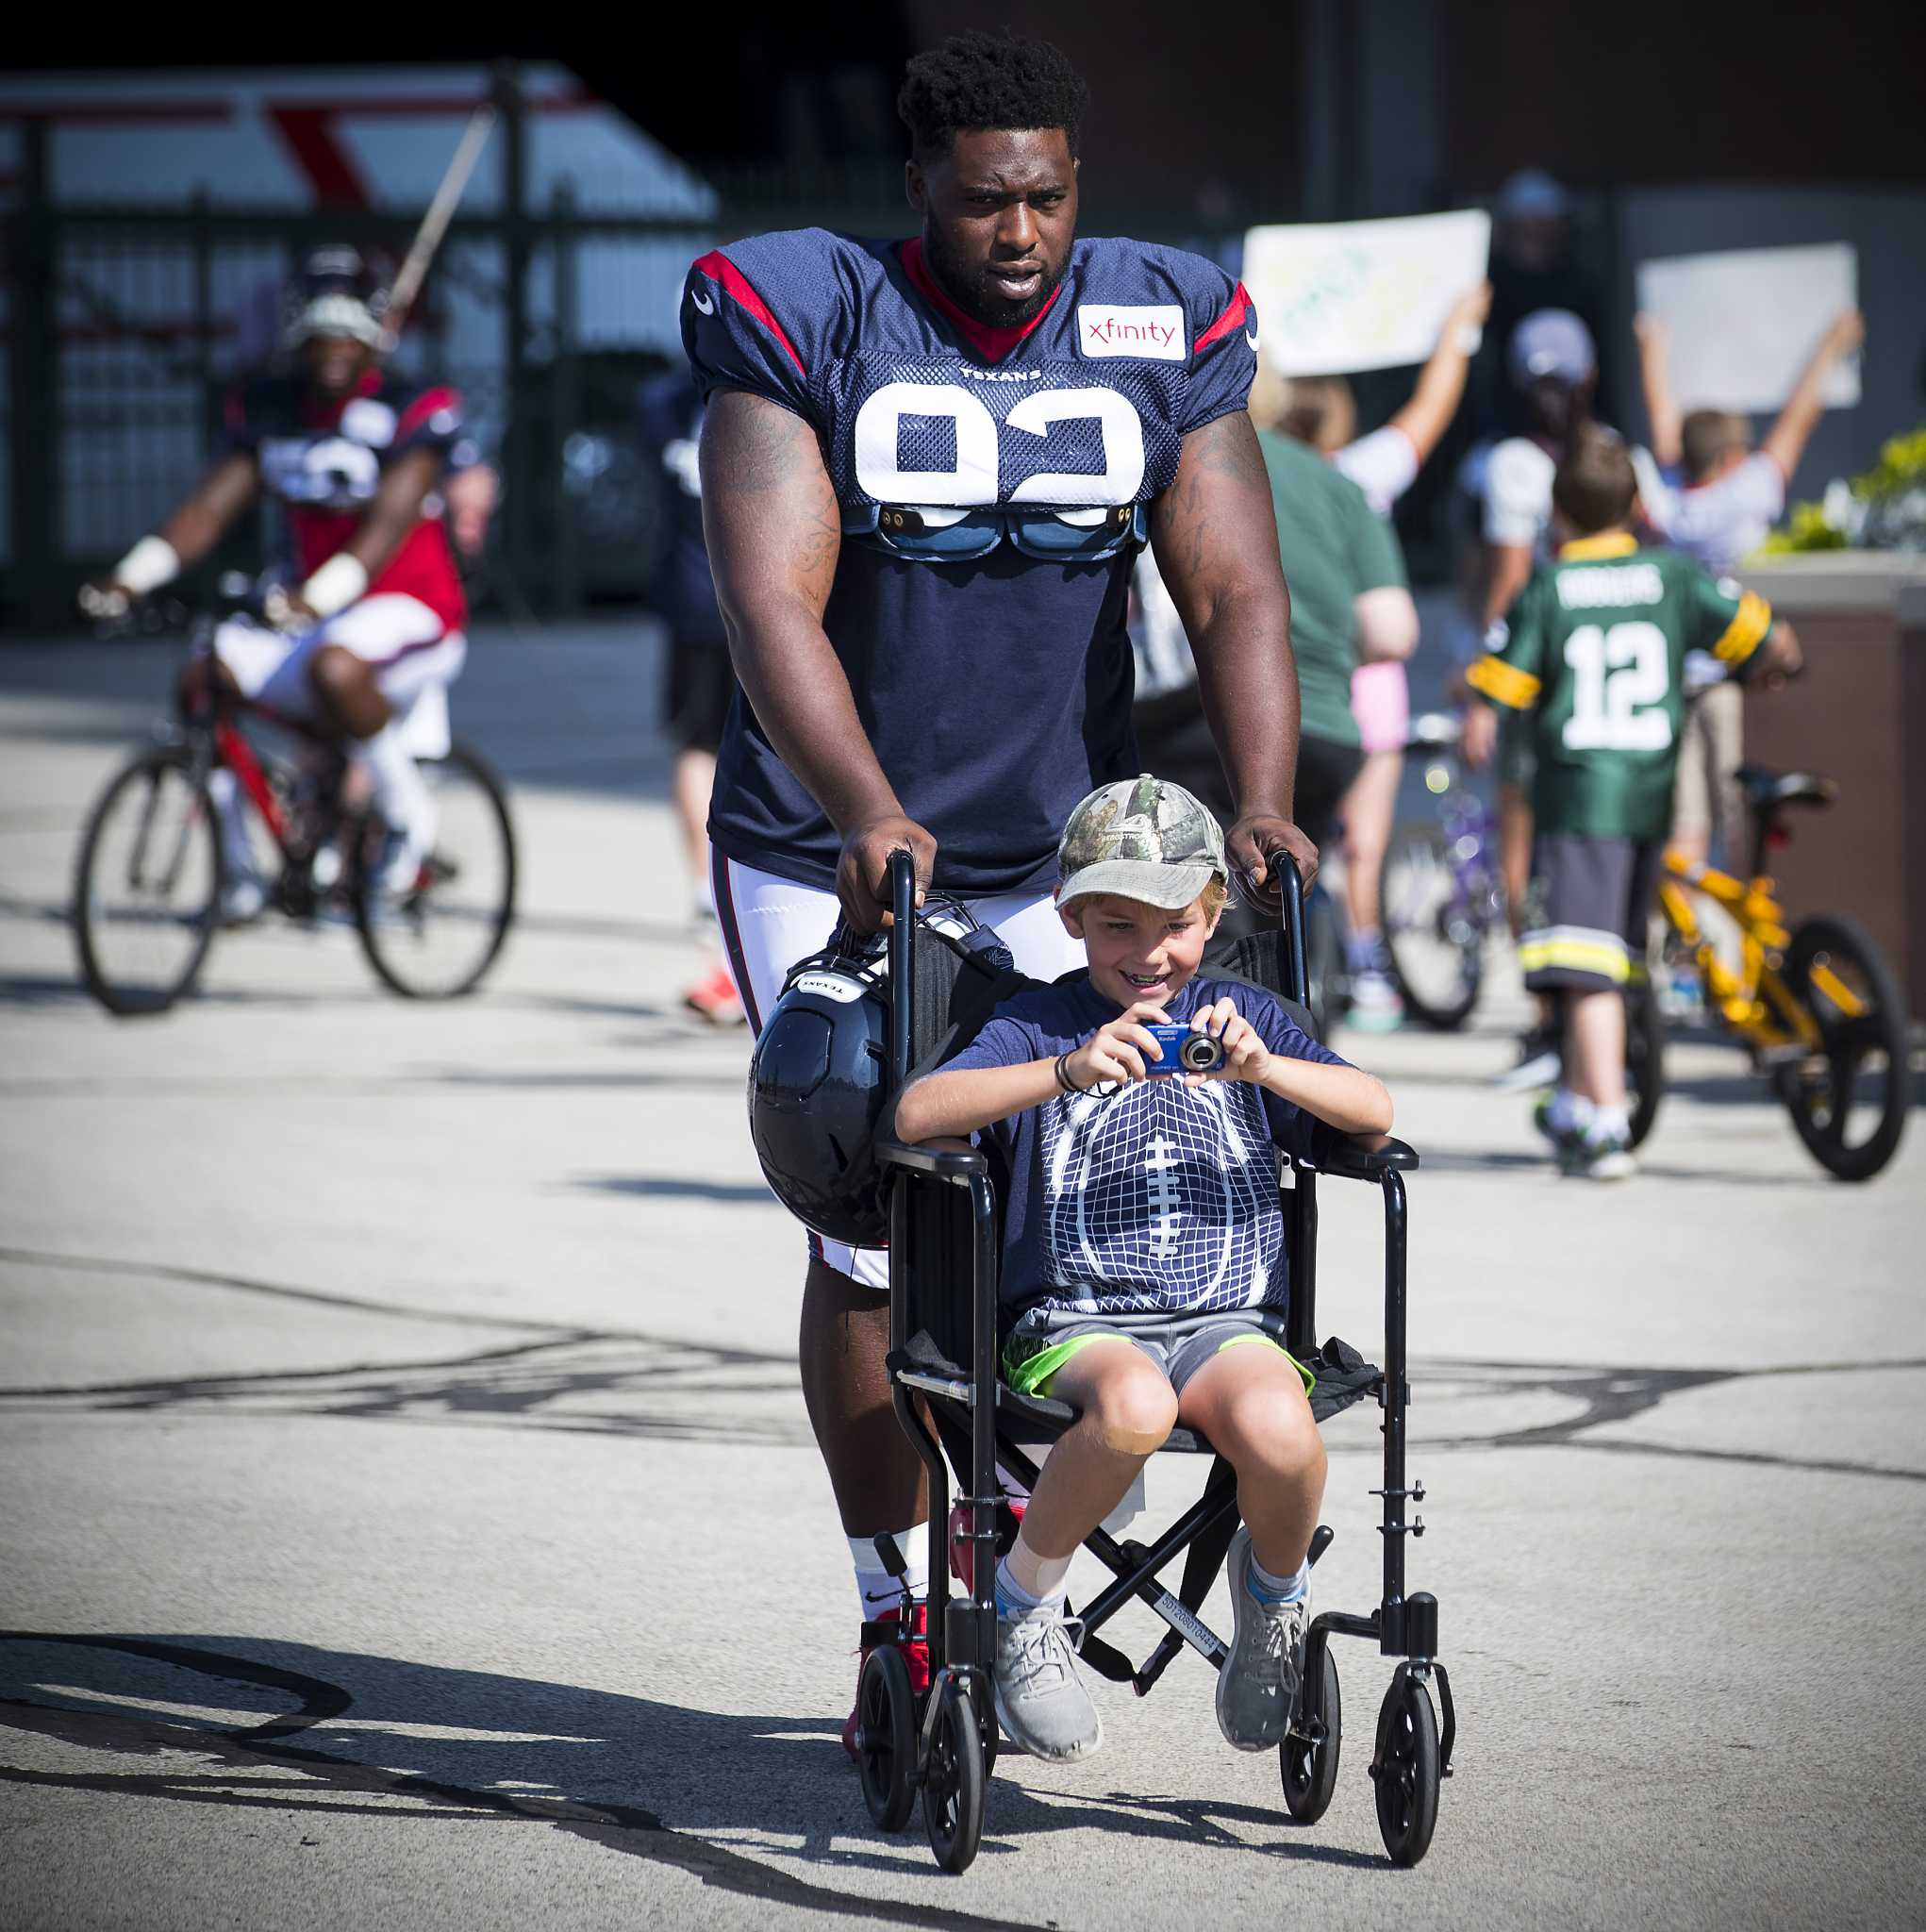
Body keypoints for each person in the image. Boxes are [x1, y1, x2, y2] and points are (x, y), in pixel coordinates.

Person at [684, 30, 1318, 1754]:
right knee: (870, 1209)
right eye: (981, 201)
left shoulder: (1150, 320)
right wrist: (868, 809)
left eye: (1042, 194)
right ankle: (894, 1592)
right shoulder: (807, 311)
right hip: (830, 840)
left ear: (1076, 188)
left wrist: (1261, 797)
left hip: (1067, 855)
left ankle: (1011, 1542)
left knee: (1075, 1186)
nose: (1018, 230)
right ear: (917, 192)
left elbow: (1237, 588)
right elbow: (768, 605)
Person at [894, 775, 1392, 1760]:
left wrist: (1264, 1070)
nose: (1148, 952)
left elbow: (1373, 1109)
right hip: (1073, 1318)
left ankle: (1273, 1594)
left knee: (1281, 1426)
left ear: (1212, 915)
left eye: (1175, 924)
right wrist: (1066, 1071)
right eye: (1117, 925)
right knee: (1131, 1405)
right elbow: (915, 1115)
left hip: (1223, 1319)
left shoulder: (1239, 1014)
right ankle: (1022, 1608)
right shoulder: (1041, 1023)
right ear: (1072, 918)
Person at [80, 244, 472, 913]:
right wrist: (131, 577)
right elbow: (208, 507)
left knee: (336, 668)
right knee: (203, 677)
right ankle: (240, 869)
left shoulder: (414, 406)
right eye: (319, 329)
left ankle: (409, 817)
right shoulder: (268, 407)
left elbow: (383, 533)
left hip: (408, 608)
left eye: (347, 328)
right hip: (309, 610)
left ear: (374, 330)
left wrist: (312, 600)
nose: (333, 345)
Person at [1462, 430, 1799, 1178]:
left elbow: (1503, 688)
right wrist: (1780, 665)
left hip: (1583, 794)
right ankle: (1580, 1103)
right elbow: (1765, 635)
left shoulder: (1549, 587)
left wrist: (1473, 705)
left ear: (1557, 512)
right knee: (1614, 956)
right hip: (1653, 793)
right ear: (1640, 504)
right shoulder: (1672, 576)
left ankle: (1607, 1117)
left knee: (1584, 968)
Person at [1243, 280, 1491, 1025]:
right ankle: (1357, 970)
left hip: (1220, 702)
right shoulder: (1354, 479)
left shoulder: (1206, 465)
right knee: (1348, 844)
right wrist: (1457, 335)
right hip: (1346, 703)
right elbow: (1427, 417)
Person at [1633, 308, 1865, 868]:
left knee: (1685, 828)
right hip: (1734, 677)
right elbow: (1797, 421)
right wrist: (1831, 346)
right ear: (1731, 459)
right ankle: (1739, 943)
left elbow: (1667, 429)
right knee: (1741, 816)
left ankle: (1686, 940)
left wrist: (1651, 350)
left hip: (1671, 679)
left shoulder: (1666, 504)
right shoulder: (1745, 497)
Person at [1458, 307, 1599, 1088]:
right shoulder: (1616, 452)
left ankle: (1550, 1019)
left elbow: (1510, 582)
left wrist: (1483, 682)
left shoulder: (1509, 461)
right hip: (1601, 679)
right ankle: (1595, 1011)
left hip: (1535, 679)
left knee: (1524, 854)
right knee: (1589, 849)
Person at [637, 363, 745, 1025]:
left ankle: (715, 903)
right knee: (712, 751)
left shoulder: (664, 402)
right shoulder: (783, 383)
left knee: (705, 749)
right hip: (734, 604)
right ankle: (717, 912)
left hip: (718, 601)